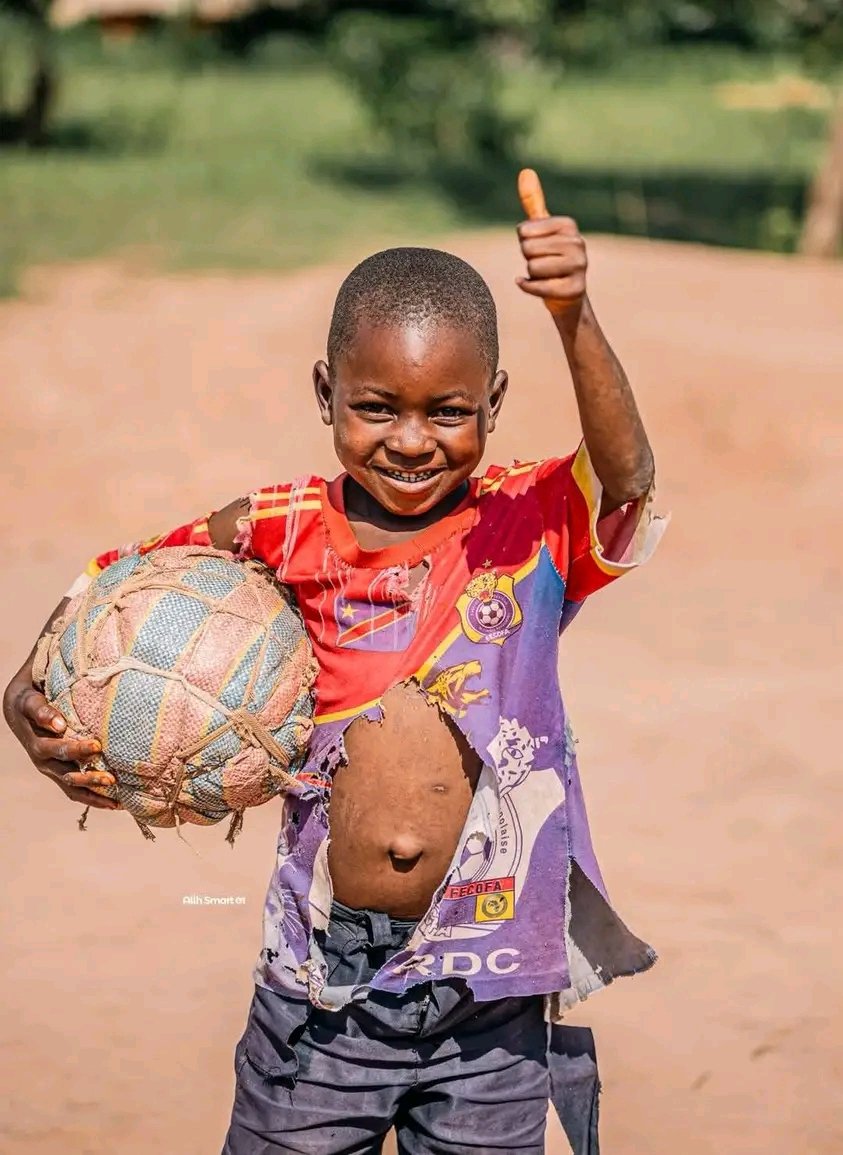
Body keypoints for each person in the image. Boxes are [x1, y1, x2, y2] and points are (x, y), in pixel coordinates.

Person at [3, 170, 666, 1154]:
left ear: (494, 400)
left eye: (448, 411)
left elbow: (630, 477)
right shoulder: (281, 529)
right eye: (376, 407)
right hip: (322, 990)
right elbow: (121, 581)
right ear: (326, 393)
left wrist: (573, 317)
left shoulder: (530, 527)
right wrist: (28, 689)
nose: (411, 441)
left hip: (492, 988)